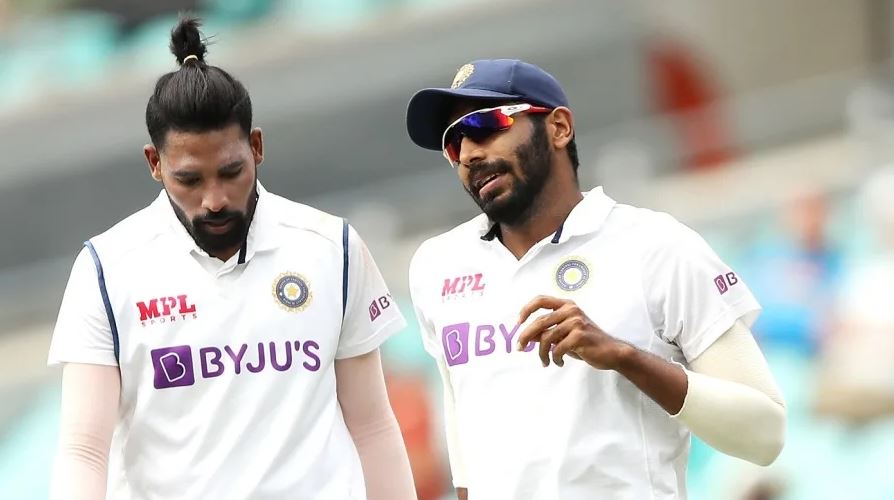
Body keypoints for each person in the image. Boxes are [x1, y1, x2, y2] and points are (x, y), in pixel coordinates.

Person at [47, 17, 416, 500]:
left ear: (257, 148)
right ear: (154, 164)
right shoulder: (106, 269)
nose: (215, 199)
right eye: (190, 180)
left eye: (230, 171)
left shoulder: (332, 247)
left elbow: (372, 427)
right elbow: (82, 450)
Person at [404, 59, 786, 500]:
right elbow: (463, 432)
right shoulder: (436, 265)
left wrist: (625, 356)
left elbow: (765, 434)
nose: (469, 153)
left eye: (486, 124)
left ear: (559, 127)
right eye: (454, 143)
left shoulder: (657, 246)